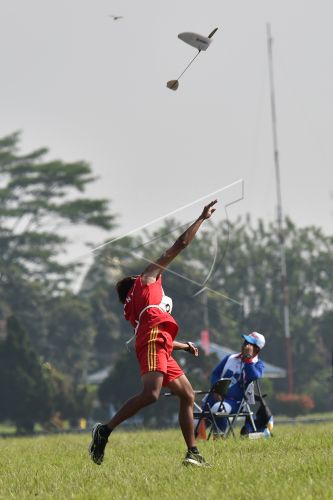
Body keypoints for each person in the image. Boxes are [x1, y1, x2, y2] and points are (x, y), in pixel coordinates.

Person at [89, 200, 217, 467]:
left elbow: (155, 335)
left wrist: (182, 346)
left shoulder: (135, 306)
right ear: (138, 280)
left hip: (157, 341)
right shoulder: (147, 279)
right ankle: (104, 430)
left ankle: (192, 453)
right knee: (152, 394)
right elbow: (180, 244)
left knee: (188, 394)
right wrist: (201, 219)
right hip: (153, 339)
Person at [206, 331, 265, 435]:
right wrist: (216, 390)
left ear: (256, 349)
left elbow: (253, 376)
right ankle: (196, 443)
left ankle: (219, 440)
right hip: (214, 396)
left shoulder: (258, 364)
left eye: (249, 344)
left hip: (235, 402)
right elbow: (215, 374)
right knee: (195, 421)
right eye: (245, 342)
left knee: (218, 408)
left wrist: (248, 359)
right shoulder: (230, 358)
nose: (245, 345)